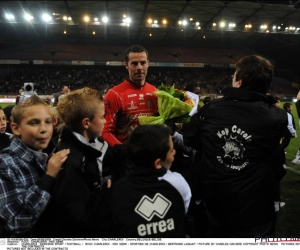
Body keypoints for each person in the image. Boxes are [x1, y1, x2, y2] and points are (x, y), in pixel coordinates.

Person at [182, 55, 287, 237]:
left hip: (215, 209)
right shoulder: (277, 117)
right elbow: (276, 162)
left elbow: (189, 139)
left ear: (239, 81)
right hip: (255, 210)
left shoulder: (211, 109)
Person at [36, 87, 126, 237]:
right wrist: (105, 194)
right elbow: (78, 219)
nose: (105, 121)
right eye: (103, 116)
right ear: (86, 123)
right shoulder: (69, 161)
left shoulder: (89, 146)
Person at [0, 95, 70, 237]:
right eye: (34, 123)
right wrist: (48, 178)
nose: (43, 129)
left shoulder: (46, 156)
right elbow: (16, 222)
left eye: (48, 122)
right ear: (16, 128)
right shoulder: (5, 164)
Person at [111, 124, 191, 237]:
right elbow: (183, 210)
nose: (174, 153)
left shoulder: (116, 190)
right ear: (158, 163)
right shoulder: (178, 183)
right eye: (172, 150)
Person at [103, 45, 158, 146]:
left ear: (148, 64)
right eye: (134, 63)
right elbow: (105, 131)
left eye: (143, 63)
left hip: (152, 155)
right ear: (126, 65)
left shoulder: (155, 92)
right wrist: (122, 151)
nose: (139, 67)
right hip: (126, 157)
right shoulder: (114, 94)